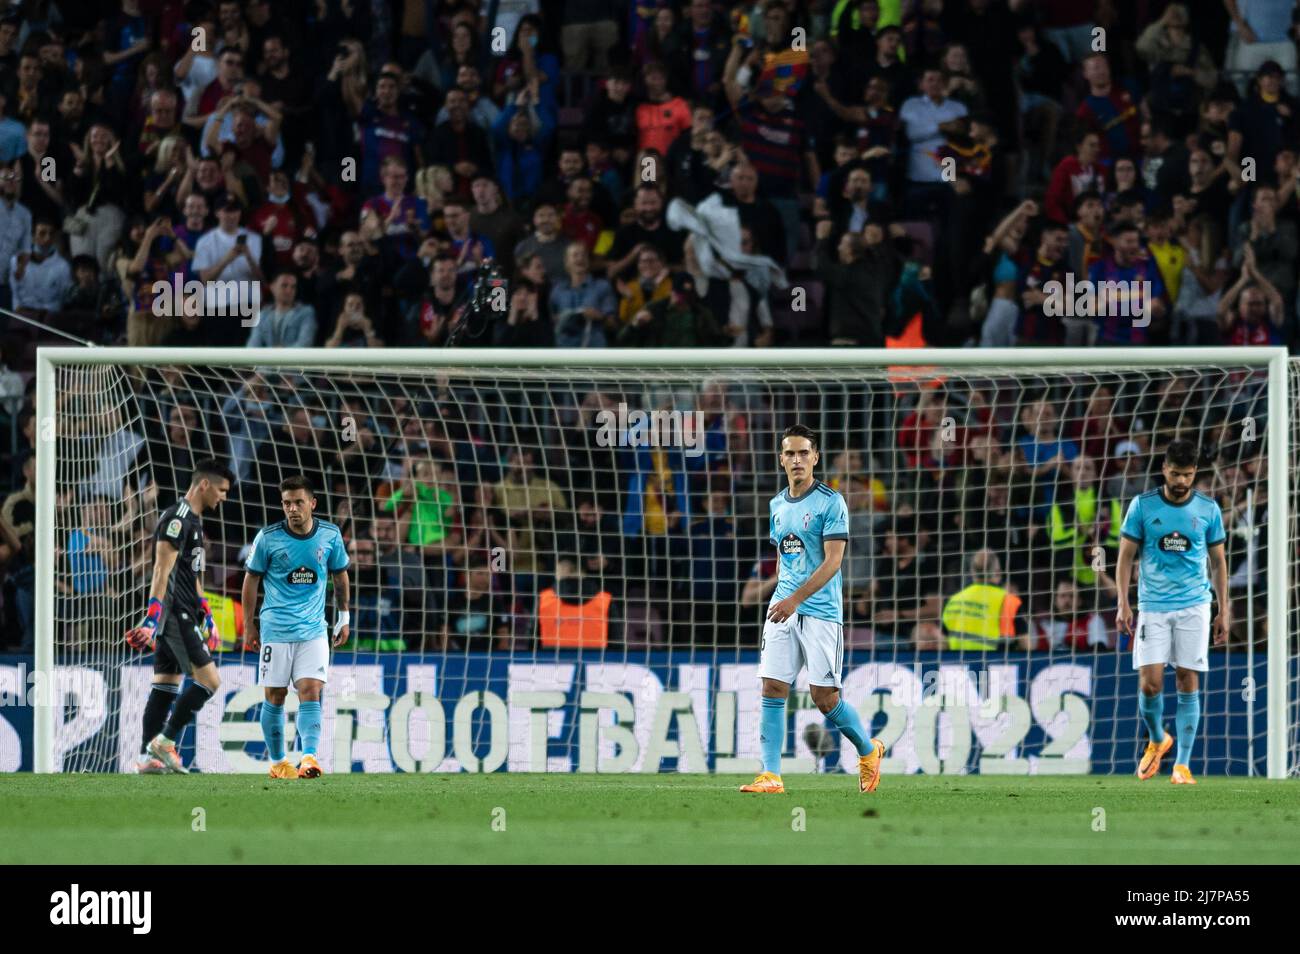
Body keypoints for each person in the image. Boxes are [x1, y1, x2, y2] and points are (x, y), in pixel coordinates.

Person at [741, 424, 884, 795]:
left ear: (815, 458)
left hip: (819, 611)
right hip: (783, 609)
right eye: (790, 453)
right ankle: (770, 775)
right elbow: (784, 556)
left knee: (825, 699)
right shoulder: (776, 505)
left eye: (804, 452)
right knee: (772, 686)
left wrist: (795, 599)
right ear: (781, 459)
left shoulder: (831, 502)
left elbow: (833, 562)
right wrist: (781, 597)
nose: (797, 459)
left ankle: (869, 751)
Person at [1116, 439, 1228, 786]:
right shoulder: (1142, 506)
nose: (1182, 482)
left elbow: (1219, 562)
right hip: (1153, 606)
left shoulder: (1208, 509)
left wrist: (1222, 609)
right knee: (1150, 685)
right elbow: (1124, 557)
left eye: (1188, 475)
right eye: (1176, 474)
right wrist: (1123, 602)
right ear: (1165, 469)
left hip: (1195, 605)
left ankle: (1182, 765)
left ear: (1195, 473)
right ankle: (1157, 738)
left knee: (1187, 679)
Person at [124, 460, 234, 774]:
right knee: (210, 681)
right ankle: (166, 741)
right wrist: (151, 618)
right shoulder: (176, 518)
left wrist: (207, 615)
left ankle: (148, 759)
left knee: (165, 686)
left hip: (187, 611)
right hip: (174, 613)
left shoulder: (196, 523)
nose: (224, 497)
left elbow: (194, 578)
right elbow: (161, 569)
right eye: (222, 490)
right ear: (204, 485)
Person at [241, 475, 351, 779]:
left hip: (314, 630)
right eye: (287, 503)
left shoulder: (330, 535)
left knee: (310, 690)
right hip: (275, 629)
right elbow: (251, 579)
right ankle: (278, 762)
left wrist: (344, 617)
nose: (293, 509)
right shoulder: (268, 538)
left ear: (312, 504)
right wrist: (249, 625)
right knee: (275, 695)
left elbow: (340, 575)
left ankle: (310, 758)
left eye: (299, 502)